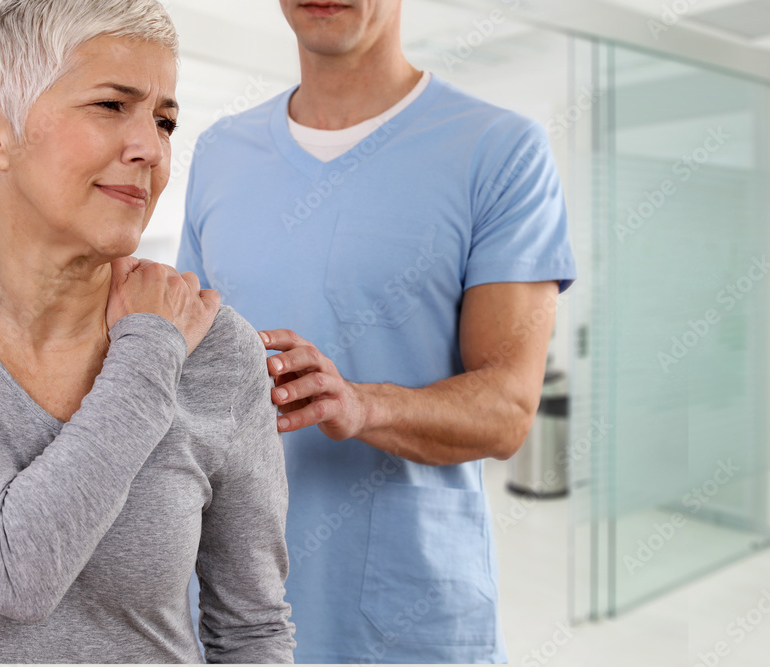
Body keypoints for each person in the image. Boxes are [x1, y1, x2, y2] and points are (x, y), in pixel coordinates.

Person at [0, 0, 295, 663]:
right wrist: (149, 348)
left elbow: (252, 629)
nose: (150, 149)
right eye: (110, 106)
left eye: (164, 121)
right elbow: (12, 569)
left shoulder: (215, 346)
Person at [176, 0, 576, 662]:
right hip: (227, 622)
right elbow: (191, 376)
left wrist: (362, 404)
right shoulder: (219, 153)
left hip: (407, 626)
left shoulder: (501, 150)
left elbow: (508, 409)